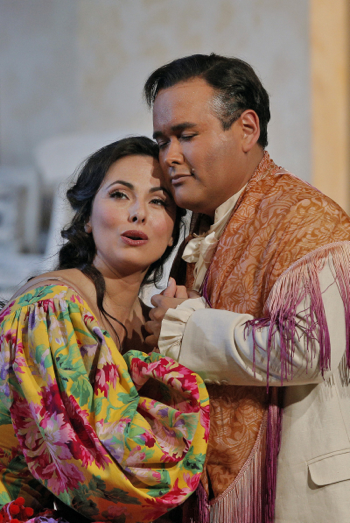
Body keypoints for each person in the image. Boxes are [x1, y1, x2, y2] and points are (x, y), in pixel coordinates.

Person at [143, 54, 350, 523]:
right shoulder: (201, 227)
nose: (169, 156)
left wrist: (183, 327)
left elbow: (307, 348)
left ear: (247, 128)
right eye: (162, 140)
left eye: (186, 135)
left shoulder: (307, 218)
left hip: (294, 488)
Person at [0, 136, 210, 523]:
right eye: (118, 195)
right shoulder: (50, 309)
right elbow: (108, 479)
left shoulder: (153, 325)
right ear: (85, 216)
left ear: (172, 232)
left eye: (158, 201)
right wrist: (169, 376)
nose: (138, 214)